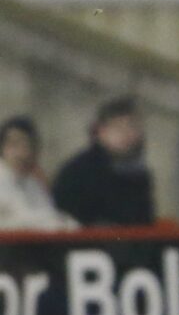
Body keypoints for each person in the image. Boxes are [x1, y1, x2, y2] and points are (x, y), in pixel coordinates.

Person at [53, 97, 155, 226]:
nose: (126, 134)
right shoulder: (80, 171)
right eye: (118, 128)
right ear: (101, 132)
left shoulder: (138, 173)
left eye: (132, 127)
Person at [0, 116, 77, 231]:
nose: (22, 152)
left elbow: (50, 214)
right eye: (15, 145)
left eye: (28, 145)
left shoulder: (33, 184)